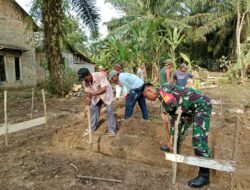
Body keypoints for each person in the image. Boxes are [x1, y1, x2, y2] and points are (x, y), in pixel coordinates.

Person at [142, 83, 212, 188]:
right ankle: (174, 148)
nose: (148, 99)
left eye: (147, 97)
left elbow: (172, 103)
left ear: (150, 91)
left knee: (198, 139)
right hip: (189, 109)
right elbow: (175, 119)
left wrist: (165, 112)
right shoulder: (162, 98)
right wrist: (171, 139)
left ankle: (204, 176)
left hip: (201, 106)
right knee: (178, 129)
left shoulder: (164, 89)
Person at [78, 68, 116, 136]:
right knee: (93, 108)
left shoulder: (99, 75)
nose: (85, 81)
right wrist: (87, 100)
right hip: (95, 95)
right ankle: (92, 128)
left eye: (85, 78)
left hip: (106, 94)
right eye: (83, 79)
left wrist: (92, 94)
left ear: (89, 75)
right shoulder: (85, 82)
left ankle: (112, 130)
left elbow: (104, 89)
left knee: (109, 110)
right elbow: (87, 92)